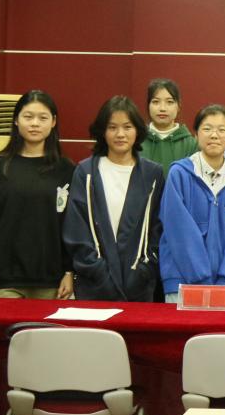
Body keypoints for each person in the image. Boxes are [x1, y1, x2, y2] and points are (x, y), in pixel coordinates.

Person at [0, 90, 76, 300]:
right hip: (3, 281)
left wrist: (69, 271)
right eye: (28, 116)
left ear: (53, 122)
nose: (35, 123)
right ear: (16, 120)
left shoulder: (66, 169)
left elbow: (71, 226)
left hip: (52, 282)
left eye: (42, 118)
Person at [62, 96, 164, 302]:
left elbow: (158, 229)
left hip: (139, 288)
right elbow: (76, 230)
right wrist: (98, 272)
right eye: (112, 127)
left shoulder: (152, 174)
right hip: (93, 286)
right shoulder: (86, 172)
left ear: (137, 130)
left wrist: (144, 270)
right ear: (102, 131)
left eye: (127, 127)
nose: (120, 134)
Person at [158, 105, 225, 303]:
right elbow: (178, 231)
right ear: (196, 134)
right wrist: (202, 279)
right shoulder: (179, 174)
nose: (214, 135)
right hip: (183, 283)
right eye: (207, 129)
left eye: (222, 130)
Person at [140, 78, 198, 170]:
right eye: (156, 102)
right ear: (148, 105)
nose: (162, 108)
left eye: (169, 102)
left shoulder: (191, 144)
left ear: (178, 106)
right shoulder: (137, 140)